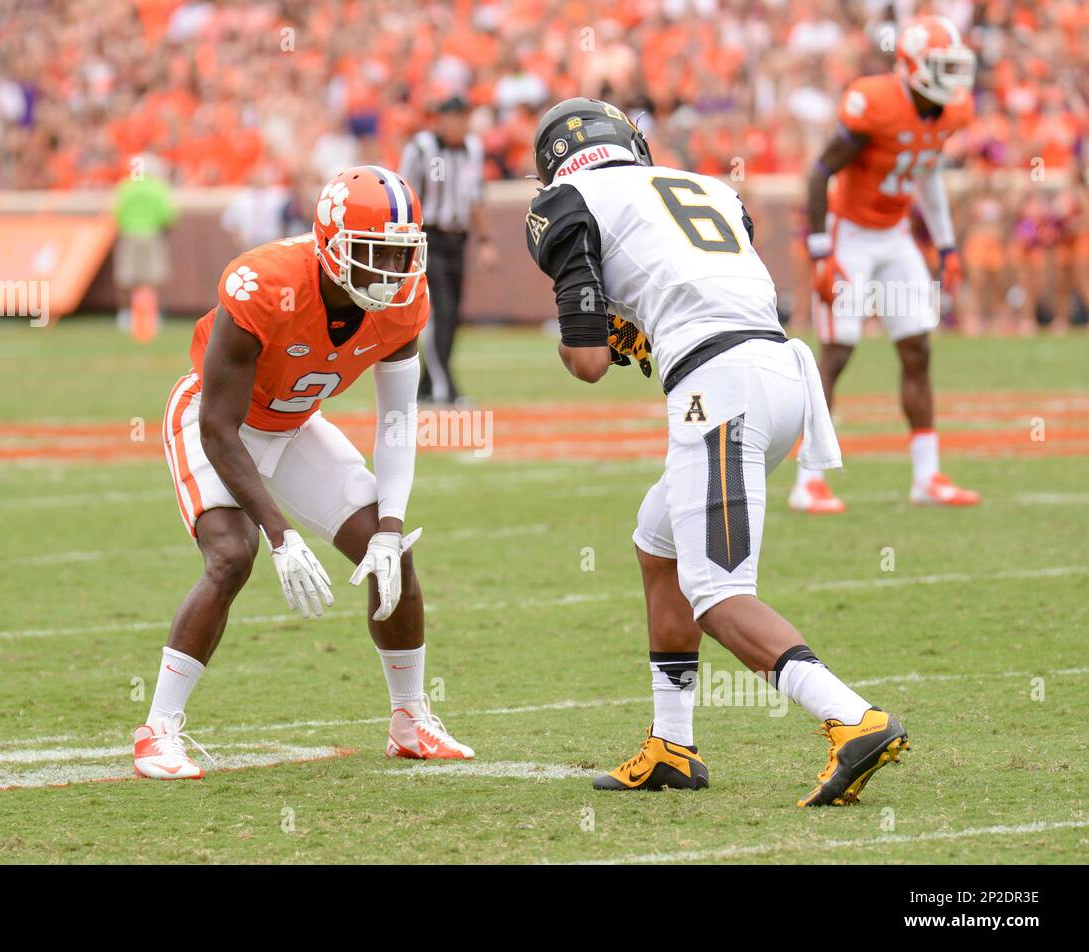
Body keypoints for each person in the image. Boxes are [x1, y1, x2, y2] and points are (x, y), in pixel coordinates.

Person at [525, 97, 907, 807]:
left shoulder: (565, 201)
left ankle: (853, 716)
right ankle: (672, 745)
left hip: (719, 387)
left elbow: (585, 361)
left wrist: (597, 330)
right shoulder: (708, 188)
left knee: (720, 593)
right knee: (657, 539)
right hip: (782, 376)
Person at [133, 165, 473, 780]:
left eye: (403, 254)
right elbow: (217, 423)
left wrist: (392, 526)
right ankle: (157, 730)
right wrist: (280, 535)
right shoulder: (263, 284)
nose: (393, 273)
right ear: (332, 246)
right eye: (377, 255)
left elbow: (397, 419)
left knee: (387, 553)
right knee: (232, 555)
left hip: (293, 425)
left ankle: (409, 719)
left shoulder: (401, 303)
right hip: (216, 421)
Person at [791, 14, 981, 514]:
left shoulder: (951, 111)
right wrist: (820, 252)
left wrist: (947, 245)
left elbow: (929, 175)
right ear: (913, 65)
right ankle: (808, 481)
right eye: (941, 66)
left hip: (895, 235)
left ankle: (927, 476)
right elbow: (819, 173)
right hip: (848, 233)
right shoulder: (873, 103)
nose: (953, 78)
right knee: (838, 351)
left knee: (917, 347)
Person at [399, 95, 496, 404]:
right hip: (429, 237)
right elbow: (405, 194)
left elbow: (476, 196)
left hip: (458, 238)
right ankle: (445, 388)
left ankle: (427, 386)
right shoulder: (420, 148)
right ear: (439, 119)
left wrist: (484, 240)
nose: (459, 124)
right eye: (453, 117)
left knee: (452, 313)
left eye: (463, 117)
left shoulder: (473, 148)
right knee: (439, 310)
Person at [113, 154, 177, 340]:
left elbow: (117, 213)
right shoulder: (158, 188)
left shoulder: (126, 187)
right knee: (154, 277)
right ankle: (153, 316)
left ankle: (126, 315)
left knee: (127, 277)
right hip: (152, 233)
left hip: (129, 233)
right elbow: (168, 215)